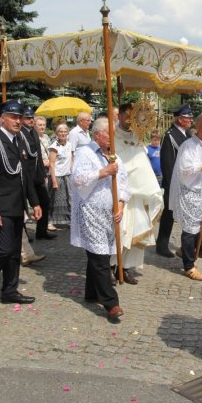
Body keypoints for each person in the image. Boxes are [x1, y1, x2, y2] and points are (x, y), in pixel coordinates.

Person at [0, 100, 41, 308]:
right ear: (2, 118)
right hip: (0, 206)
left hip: (16, 205)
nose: (18, 121)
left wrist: (34, 202)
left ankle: (9, 290)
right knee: (4, 249)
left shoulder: (18, 141)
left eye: (19, 117)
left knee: (14, 252)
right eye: (13, 117)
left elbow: (25, 176)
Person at [71, 118, 130, 321]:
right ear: (97, 134)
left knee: (99, 254)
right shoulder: (85, 153)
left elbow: (123, 182)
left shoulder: (114, 156)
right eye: (109, 134)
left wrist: (121, 203)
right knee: (100, 257)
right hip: (90, 211)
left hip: (109, 214)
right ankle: (111, 303)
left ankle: (91, 292)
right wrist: (103, 172)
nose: (112, 138)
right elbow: (77, 178)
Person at [111, 103, 163, 285]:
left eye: (131, 116)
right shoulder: (112, 136)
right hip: (120, 194)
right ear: (119, 116)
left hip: (137, 195)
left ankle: (124, 268)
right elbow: (118, 162)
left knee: (134, 233)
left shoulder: (136, 135)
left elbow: (141, 161)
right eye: (125, 115)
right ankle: (111, 268)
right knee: (120, 231)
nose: (128, 119)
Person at [169, 114, 202, 281]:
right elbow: (185, 171)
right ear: (197, 127)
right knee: (190, 230)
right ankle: (189, 266)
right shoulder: (188, 146)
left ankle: (187, 250)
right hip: (189, 191)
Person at [155, 104, 192, 257]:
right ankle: (162, 245)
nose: (190, 120)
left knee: (186, 215)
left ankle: (188, 247)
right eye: (187, 118)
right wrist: (171, 185)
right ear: (179, 119)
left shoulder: (188, 134)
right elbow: (167, 163)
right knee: (169, 215)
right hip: (173, 183)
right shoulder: (170, 135)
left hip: (187, 182)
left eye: (190, 117)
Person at [20, 106, 56, 241]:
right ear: (22, 118)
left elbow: (38, 156)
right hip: (26, 175)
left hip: (37, 175)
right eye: (27, 118)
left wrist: (42, 173)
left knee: (44, 202)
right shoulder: (20, 133)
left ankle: (41, 231)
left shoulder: (33, 132)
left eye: (31, 117)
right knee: (23, 206)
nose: (30, 120)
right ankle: (23, 234)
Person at [48, 123, 72, 227]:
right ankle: (49, 221)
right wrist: (54, 181)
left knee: (68, 199)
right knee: (54, 201)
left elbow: (71, 160)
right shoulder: (54, 147)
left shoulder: (69, 144)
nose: (63, 133)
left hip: (67, 176)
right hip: (56, 176)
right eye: (60, 131)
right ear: (57, 133)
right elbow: (51, 165)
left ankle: (67, 220)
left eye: (65, 131)